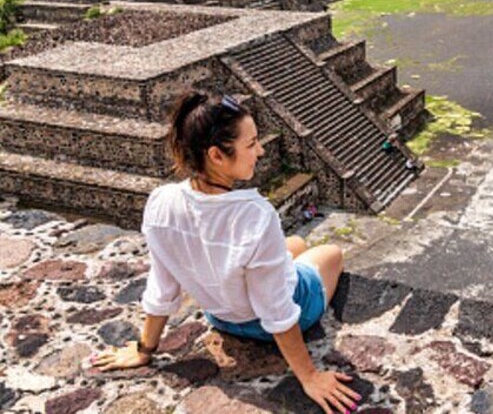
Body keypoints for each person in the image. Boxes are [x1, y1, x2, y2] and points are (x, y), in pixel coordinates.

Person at [91, 92, 360, 414]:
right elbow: (276, 311)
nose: (260, 151)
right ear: (217, 155)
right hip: (275, 319)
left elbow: (163, 287)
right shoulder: (254, 215)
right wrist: (310, 376)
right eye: (251, 144)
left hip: (223, 317)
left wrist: (144, 350)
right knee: (330, 252)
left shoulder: (161, 203)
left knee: (296, 246)